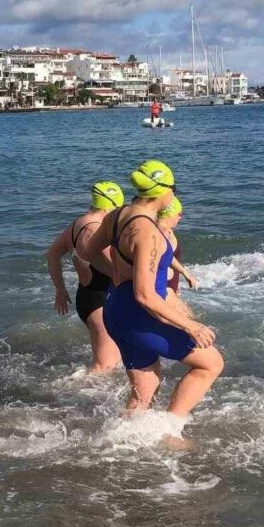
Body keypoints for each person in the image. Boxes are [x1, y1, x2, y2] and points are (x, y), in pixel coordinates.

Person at [85, 160, 223, 423]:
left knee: (143, 394)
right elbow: (145, 296)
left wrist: (116, 273)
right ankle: (171, 429)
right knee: (211, 363)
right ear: (163, 191)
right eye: (174, 187)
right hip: (140, 315)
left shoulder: (118, 215)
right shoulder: (148, 232)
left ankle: (122, 442)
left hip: (115, 309)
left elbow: (87, 252)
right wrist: (191, 326)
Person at [46, 182, 124, 372]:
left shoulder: (77, 224)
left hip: (87, 298)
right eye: (118, 209)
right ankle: (66, 395)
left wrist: (60, 288)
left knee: (108, 361)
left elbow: (52, 254)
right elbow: (115, 272)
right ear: (110, 206)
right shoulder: (97, 231)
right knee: (105, 367)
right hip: (101, 303)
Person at [157, 197, 198, 318]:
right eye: (179, 213)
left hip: (170, 287)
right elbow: (164, 258)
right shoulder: (161, 233)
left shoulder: (167, 231)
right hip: (165, 288)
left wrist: (182, 277)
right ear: (170, 213)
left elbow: (168, 256)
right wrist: (169, 291)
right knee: (190, 327)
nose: (180, 217)